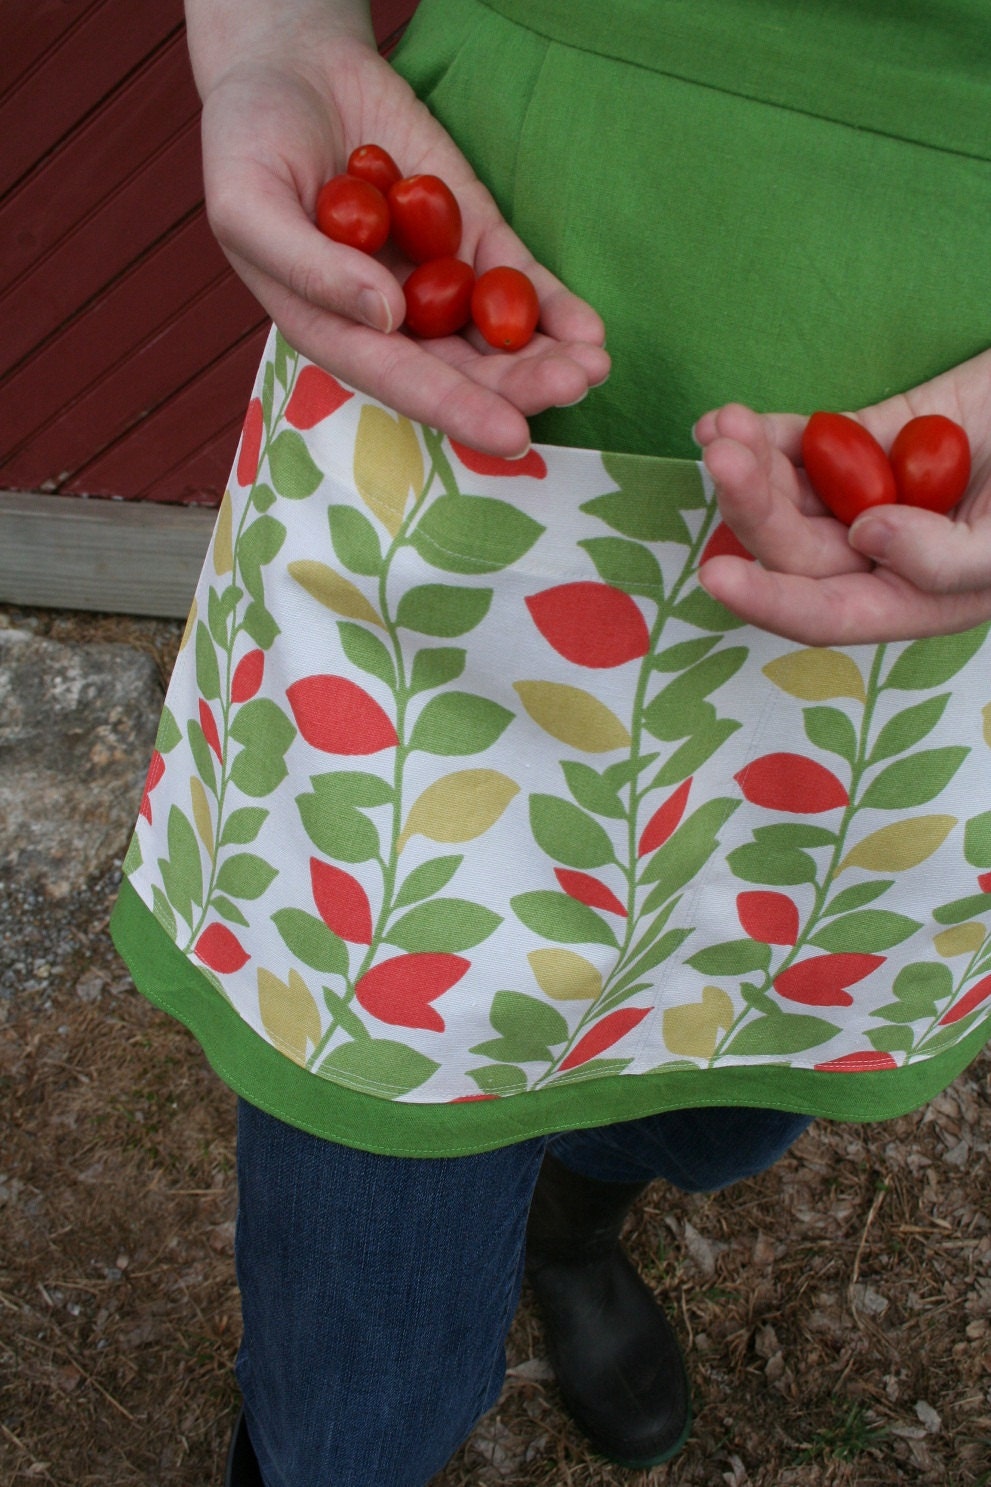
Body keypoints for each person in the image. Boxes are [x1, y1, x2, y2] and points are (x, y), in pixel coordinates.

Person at [109, 1, 991, 1482]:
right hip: (453, 375)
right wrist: (269, 35)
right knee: (363, 1349)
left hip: (919, 559)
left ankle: (572, 1223)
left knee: (725, 1104)